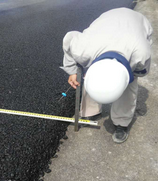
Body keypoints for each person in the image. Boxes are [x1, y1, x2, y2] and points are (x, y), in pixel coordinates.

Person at [60, 7, 153, 143]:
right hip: (108, 19)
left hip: (136, 22)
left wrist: (127, 79)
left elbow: (141, 72)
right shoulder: (83, 49)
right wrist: (72, 71)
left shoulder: (140, 55)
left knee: (129, 86)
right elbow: (68, 39)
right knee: (92, 79)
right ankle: (90, 112)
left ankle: (122, 123)